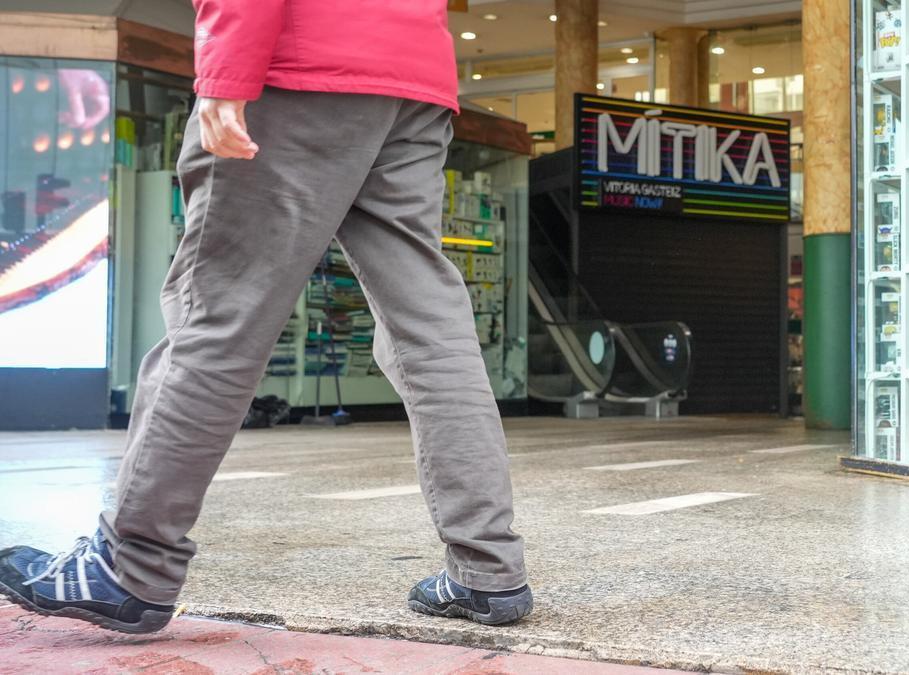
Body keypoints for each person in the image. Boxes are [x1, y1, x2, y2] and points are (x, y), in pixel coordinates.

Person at [0, 0, 531, 632]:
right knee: (430, 329)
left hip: (297, 70)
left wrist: (227, 76)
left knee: (219, 314)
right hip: (413, 81)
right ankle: (489, 569)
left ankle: (131, 566)